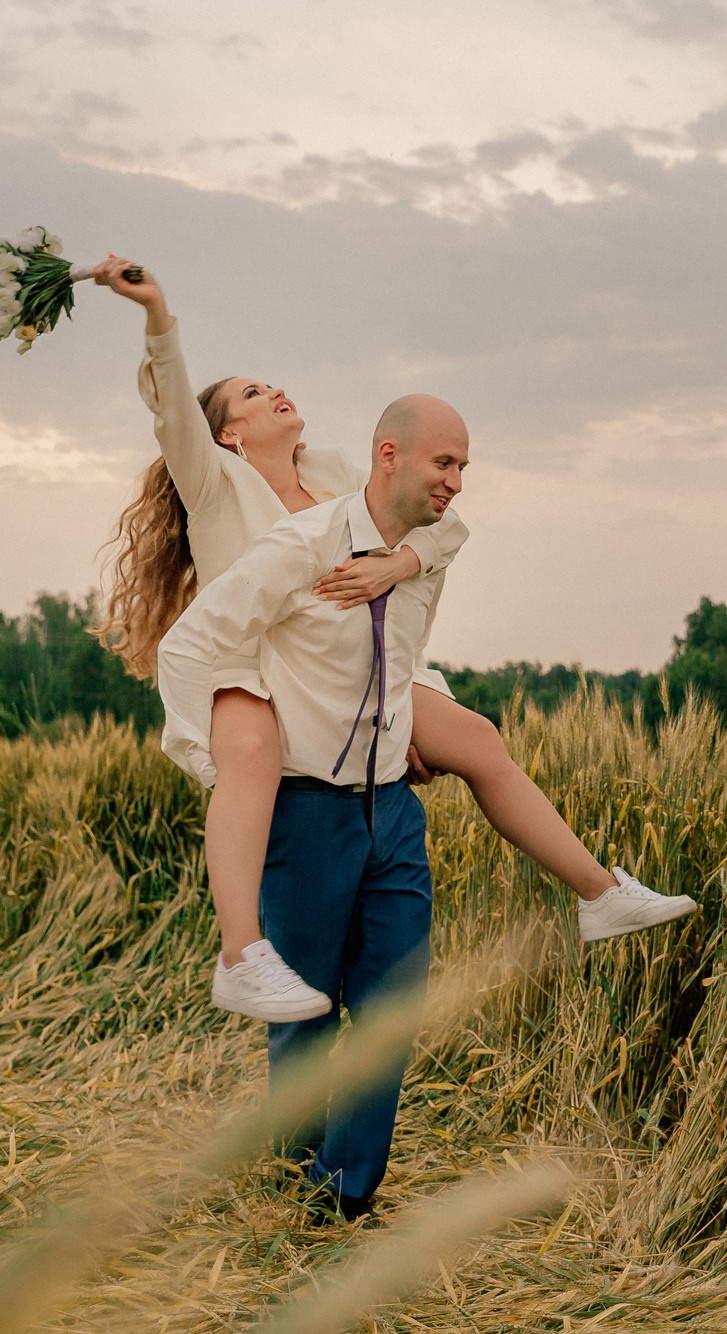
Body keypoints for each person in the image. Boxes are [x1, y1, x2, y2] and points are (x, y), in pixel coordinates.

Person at [88, 257, 696, 1024]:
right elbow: (170, 402)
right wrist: (155, 311)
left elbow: (439, 524)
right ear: (227, 435)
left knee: (477, 741)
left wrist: (403, 561)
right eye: (250, 393)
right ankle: (240, 955)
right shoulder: (212, 482)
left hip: (355, 671)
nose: (274, 391)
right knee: (250, 755)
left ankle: (600, 895)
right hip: (255, 667)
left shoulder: (339, 474)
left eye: (271, 382)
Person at [157, 392, 467, 1221]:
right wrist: (208, 755)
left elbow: (442, 546)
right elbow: (185, 646)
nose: (458, 483)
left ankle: (345, 1198)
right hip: (302, 802)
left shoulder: (417, 541)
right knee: (306, 1013)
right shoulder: (280, 535)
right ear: (392, 454)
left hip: (393, 807)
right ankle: (291, 1173)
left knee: (390, 1013)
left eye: (463, 467)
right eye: (446, 463)